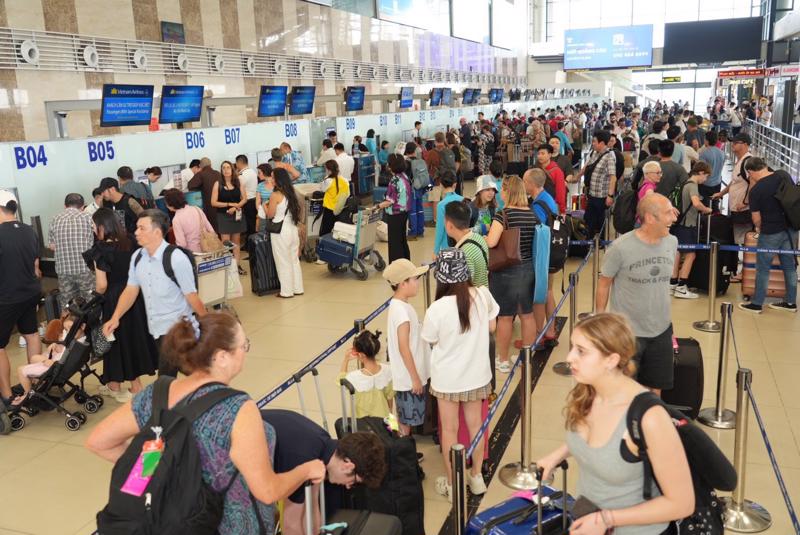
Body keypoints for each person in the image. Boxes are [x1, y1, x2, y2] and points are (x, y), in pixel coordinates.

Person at [87, 313, 326, 534]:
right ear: (222, 357)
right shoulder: (237, 409)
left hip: (169, 523)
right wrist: (307, 469)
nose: (246, 351)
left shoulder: (157, 393)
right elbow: (267, 491)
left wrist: (160, 473)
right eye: (244, 346)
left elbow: (99, 442)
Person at [535, 313, 694, 535]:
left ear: (611, 360)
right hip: (587, 520)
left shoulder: (649, 418)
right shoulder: (588, 392)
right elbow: (597, 442)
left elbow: (682, 503)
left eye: (581, 351)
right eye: (572, 347)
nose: (569, 357)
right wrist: (558, 455)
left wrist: (606, 519)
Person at [422, 248, 498, 501]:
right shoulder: (482, 295)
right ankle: (476, 477)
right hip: (477, 376)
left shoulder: (437, 308)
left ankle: (454, 484)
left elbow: (430, 339)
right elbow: (492, 326)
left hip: (447, 380)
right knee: (476, 427)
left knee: (450, 432)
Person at [102, 209, 207, 376]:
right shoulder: (137, 257)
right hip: (157, 331)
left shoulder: (176, 258)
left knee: (177, 379)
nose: (136, 232)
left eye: (142, 228)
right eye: (136, 227)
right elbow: (131, 290)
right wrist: (115, 317)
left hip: (180, 331)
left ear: (157, 232)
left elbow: (191, 295)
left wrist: (208, 323)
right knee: (183, 377)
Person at [596, 194, 677, 396]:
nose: (674, 217)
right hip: (627, 334)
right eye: (668, 212)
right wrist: (601, 322)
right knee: (623, 391)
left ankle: (648, 427)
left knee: (654, 391)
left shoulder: (672, 242)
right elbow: (604, 284)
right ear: (650, 218)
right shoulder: (620, 248)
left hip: (661, 330)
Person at [260, 408, 386, 535]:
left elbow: (312, 507)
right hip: (243, 458)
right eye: (353, 481)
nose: (348, 486)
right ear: (348, 465)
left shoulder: (323, 453)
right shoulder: (304, 460)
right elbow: (290, 525)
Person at [86, 208, 159, 402]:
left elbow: (102, 284)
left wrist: (93, 298)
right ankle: (114, 384)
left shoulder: (101, 250)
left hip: (114, 299)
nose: (93, 229)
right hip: (135, 294)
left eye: (94, 225)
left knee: (118, 341)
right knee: (132, 337)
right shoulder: (131, 242)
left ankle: (136, 387)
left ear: (102, 226)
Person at [486, 175, 538, 373]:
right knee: (527, 314)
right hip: (528, 269)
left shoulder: (503, 214)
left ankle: (503, 359)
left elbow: (491, 242)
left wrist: (484, 235)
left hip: (506, 272)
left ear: (508, 191)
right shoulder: (532, 214)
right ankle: (527, 356)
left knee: (505, 317)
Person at [738, 158, 797, 314]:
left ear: (750, 172)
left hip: (770, 231)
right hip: (791, 229)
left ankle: (757, 303)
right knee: (790, 266)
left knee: (763, 268)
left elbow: (756, 218)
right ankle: (791, 302)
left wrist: (759, 228)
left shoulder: (756, 191)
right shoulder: (783, 175)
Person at [0, 190, 42, 407]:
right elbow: (36, 267)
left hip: (6, 297)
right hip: (30, 292)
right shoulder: (29, 231)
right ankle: (33, 387)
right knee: (32, 334)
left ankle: (7, 396)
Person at [383, 259, 430, 437]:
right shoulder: (401, 312)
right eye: (414, 279)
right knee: (406, 423)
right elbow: (404, 348)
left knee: (403, 417)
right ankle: (402, 453)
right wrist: (415, 379)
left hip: (406, 377)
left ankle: (402, 450)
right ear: (403, 284)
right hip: (408, 379)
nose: (418, 283)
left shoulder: (400, 306)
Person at [11, 313, 84, 406]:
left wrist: (49, 361)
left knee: (21, 370)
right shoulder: (80, 342)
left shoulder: (74, 344)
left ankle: (28, 395)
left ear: (83, 326)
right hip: (59, 363)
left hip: (54, 367)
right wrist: (57, 346)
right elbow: (65, 351)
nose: (69, 332)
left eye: (71, 328)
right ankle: (37, 384)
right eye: (66, 329)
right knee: (34, 358)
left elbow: (63, 358)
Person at [523, 169, 559, 344]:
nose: (523, 185)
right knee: (548, 291)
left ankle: (538, 334)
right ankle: (550, 330)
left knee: (539, 294)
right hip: (551, 253)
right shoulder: (548, 199)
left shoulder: (538, 206)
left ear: (531, 184)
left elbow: (534, 230)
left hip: (543, 256)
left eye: (525, 181)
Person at [670, 161, 713, 299]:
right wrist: (707, 209)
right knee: (690, 255)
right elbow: (696, 203)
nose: (705, 180)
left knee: (677, 253)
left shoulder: (684, 183)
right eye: (705, 176)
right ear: (700, 173)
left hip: (679, 224)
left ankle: (673, 283)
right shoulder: (693, 186)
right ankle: (682, 286)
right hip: (688, 225)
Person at [49, 193, 95, 309]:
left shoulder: (55, 219)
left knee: (68, 305)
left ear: (65, 206)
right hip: (84, 269)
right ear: (82, 206)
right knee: (91, 302)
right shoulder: (88, 218)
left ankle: (70, 326)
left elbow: (52, 247)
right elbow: (95, 242)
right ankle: (92, 326)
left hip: (63, 271)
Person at [713, 132, 754, 263]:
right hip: (737, 208)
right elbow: (734, 182)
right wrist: (721, 193)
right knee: (739, 238)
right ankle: (738, 266)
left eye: (736, 143)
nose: (733, 145)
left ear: (745, 145)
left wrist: (746, 201)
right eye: (733, 142)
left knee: (747, 240)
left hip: (744, 210)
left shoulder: (748, 161)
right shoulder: (740, 161)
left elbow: (754, 182)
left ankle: (748, 268)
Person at [266, 168, 304, 298]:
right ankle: (297, 288)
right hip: (292, 229)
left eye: (272, 176)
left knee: (283, 261)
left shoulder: (275, 195)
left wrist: (265, 207)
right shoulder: (292, 192)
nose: (271, 179)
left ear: (277, 179)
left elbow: (270, 214)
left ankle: (286, 291)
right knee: (294, 260)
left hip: (280, 231)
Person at [338, 329, 393, 418]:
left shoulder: (354, 377)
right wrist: (392, 425)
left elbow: (340, 382)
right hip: (382, 424)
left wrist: (346, 360)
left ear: (360, 355)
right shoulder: (388, 371)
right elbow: (390, 401)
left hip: (361, 427)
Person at [578, 130, 616, 237]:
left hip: (601, 196)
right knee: (589, 219)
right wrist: (577, 177)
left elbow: (613, 177)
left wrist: (610, 196)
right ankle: (588, 240)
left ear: (602, 143)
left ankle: (600, 241)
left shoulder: (609, 157)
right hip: (591, 193)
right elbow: (586, 167)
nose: (592, 143)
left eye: (594, 141)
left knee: (599, 220)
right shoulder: (594, 153)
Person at [211, 160, 247, 273]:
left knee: (236, 242)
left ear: (232, 169)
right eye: (223, 168)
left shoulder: (238, 182)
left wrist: (236, 207)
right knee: (226, 243)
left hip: (236, 215)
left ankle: (237, 266)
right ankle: (227, 267)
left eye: (228, 167)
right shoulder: (218, 184)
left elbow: (244, 199)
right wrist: (229, 204)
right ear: (221, 171)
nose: (226, 170)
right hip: (223, 216)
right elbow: (213, 202)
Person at [376, 153, 412, 262]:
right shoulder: (405, 176)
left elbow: (389, 201)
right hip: (404, 212)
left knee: (394, 243)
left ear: (391, 166)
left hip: (395, 214)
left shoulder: (394, 180)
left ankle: (396, 268)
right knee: (402, 240)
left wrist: (377, 206)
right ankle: (406, 264)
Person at [164, 188, 215, 253]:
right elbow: (211, 230)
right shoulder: (197, 209)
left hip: (192, 253)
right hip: (208, 248)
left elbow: (182, 244)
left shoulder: (176, 219)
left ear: (171, 204)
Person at [188, 157, 223, 232]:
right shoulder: (218, 173)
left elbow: (190, 186)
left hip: (208, 205)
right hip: (220, 204)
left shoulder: (201, 174)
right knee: (220, 226)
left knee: (211, 226)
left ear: (200, 166)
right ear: (211, 164)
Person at [536, 143, 567, 213]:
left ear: (550, 155)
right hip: (537, 204)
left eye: (543, 153)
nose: (540, 156)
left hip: (550, 205)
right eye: (538, 154)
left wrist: (562, 210)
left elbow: (560, 192)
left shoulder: (557, 171)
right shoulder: (535, 168)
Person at [698, 130, 725, 209]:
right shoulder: (722, 153)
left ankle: (705, 220)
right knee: (715, 204)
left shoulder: (704, 154)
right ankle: (715, 218)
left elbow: (701, 170)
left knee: (705, 205)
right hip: (717, 182)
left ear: (706, 140)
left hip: (706, 184)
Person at [236, 154, 259, 239]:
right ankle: (250, 243)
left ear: (239, 163)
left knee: (249, 225)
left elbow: (238, 188)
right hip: (254, 200)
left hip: (247, 202)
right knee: (252, 223)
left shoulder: (242, 175)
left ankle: (249, 245)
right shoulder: (252, 171)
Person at [256, 163, 274, 232]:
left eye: (259, 172)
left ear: (265, 172)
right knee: (263, 232)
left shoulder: (276, 183)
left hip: (275, 213)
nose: (258, 175)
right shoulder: (260, 185)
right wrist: (261, 210)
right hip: (263, 213)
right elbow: (257, 202)